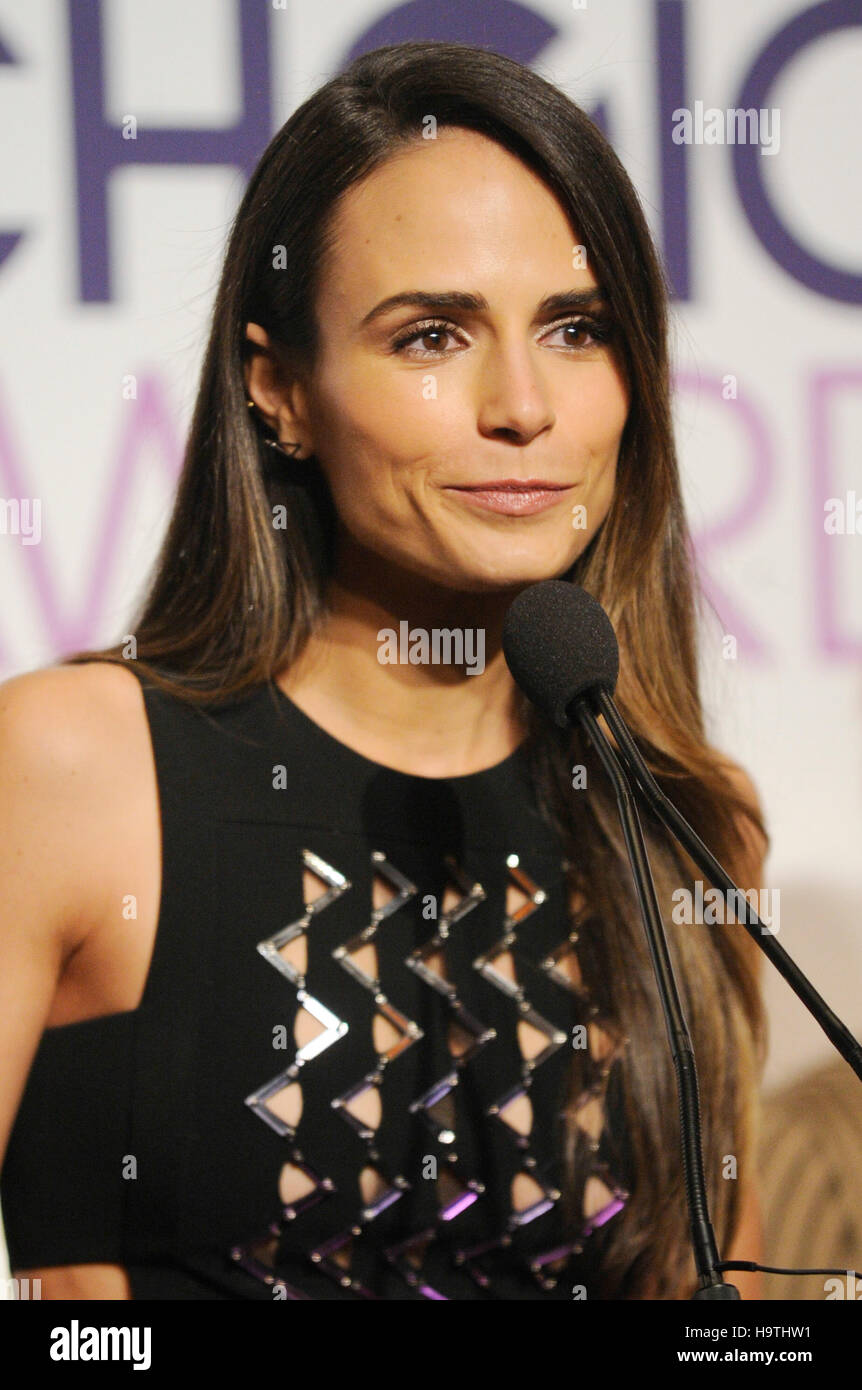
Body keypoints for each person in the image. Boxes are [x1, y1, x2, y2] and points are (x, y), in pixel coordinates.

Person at [0, 40, 767, 1301]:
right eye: (431, 336)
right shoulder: (76, 766)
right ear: (279, 391)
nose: (522, 406)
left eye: (576, 329)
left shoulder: (685, 822)